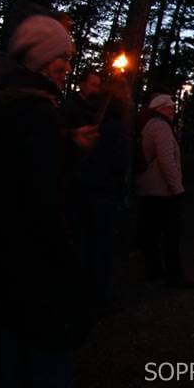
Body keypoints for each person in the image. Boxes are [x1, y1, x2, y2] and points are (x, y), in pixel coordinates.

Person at [0, 14, 97, 387]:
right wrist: (67, 265)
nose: (66, 69)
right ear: (41, 59)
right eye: (61, 60)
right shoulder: (37, 112)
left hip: (2, 253)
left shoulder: (1, 105)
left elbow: (14, 166)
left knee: (12, 342)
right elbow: (41, 196)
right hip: (35, 259)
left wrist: (66, 143)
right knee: (45, 354)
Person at [79, 76, 131, 315]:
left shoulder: (94, 119)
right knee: (100, 246)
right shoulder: (114, 127)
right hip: (103, 191)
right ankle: (98, 296)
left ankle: (88, 291)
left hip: (88, 189)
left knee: (90, 243)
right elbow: (119, 164)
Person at [136, 94, 194, 289]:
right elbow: (166, 161)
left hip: (149, 189)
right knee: (171, 235)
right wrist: (177, 188)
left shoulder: (149, 125)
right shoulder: (161, 128)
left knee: (152, 234)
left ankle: (154, 271)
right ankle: (174, 276)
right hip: (162, 191)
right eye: (170, 108)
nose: (173, 111)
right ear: (161, 108)